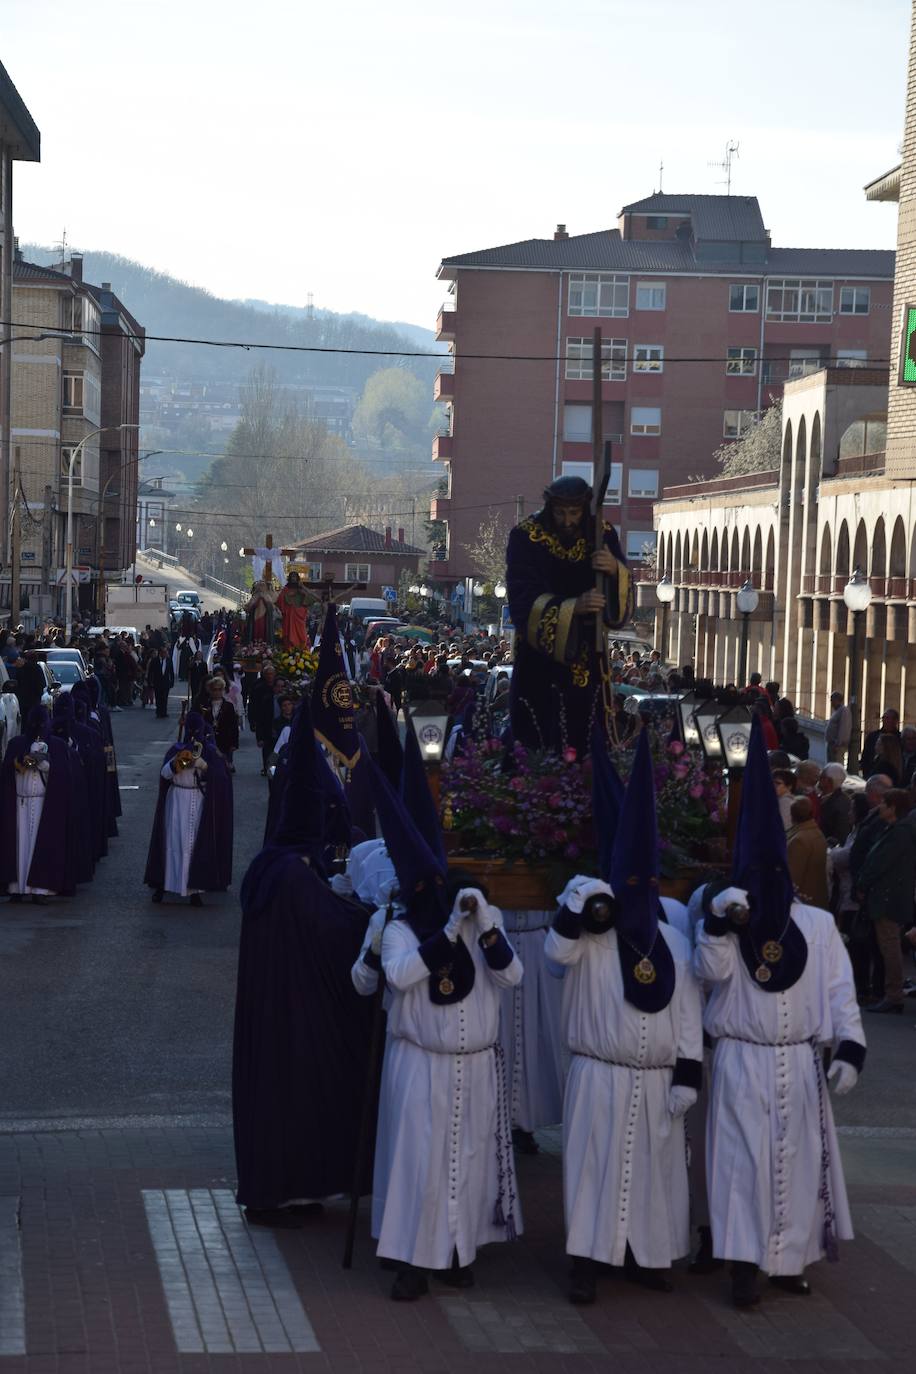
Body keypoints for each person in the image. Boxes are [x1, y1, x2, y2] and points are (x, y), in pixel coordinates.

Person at [695, 719, 866, 1309]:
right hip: (741, 1057)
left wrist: (849, 1044)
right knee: (741, 1164)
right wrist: (718, 925)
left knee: (796, 1162)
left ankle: (790, 1259)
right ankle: (743, 1261)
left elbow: (840, 989)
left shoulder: (817, 927)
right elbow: (708, 975)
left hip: (797, 1059)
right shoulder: (730, 923)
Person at [545, 731, 703, 1306]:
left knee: (654, 1175)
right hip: (601, 1072)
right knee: (594, 1170)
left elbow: (686, 1009)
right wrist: (576, 904)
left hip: (657, 1078)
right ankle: (587, 1260)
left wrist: (688, 1072)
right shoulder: (593, 936)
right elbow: (555, 957)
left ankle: (645, 1255)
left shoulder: (672, 941)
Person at [365, 760, 523, 1301]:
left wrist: (481, 930)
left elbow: (513, 975)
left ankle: (458, 1249)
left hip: (474, 1063)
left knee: (468, 1158)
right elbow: (404, 976)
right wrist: (448, 933)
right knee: (420, 1161)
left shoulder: (485, 925)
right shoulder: (399, 932)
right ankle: (413, 1258)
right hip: (422, 1062)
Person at [233, 696, 373, 1223]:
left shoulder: (271, 866)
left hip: (271, 1014)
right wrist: (370, 917)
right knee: (291, 1102)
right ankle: (282, 1196)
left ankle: (279, 1192)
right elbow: (335, 930)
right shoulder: (293, 877)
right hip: (290, 1015)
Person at [506, 475, 631, 757]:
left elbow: (621, 601)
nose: (567, 521)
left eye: (574, 513)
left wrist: (613, 569)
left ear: (584, 508)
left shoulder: (602, 533)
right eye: (560, 513)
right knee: (539, 734)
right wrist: (573, 606)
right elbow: (522, 601)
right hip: (539, 660)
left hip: (591, 654)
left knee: (588, 735)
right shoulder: (526, 536)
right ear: (550, 508)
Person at [143, 712, 233, 906]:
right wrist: (179, 763)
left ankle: (194, 889)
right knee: (172, 842)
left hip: (198, 799)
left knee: (194, 845)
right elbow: (164, 774)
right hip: (176, 800)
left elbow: (222, 777)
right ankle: (163, 885)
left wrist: (205, 766)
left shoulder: (210, 751)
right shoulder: (176, 749)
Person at [0, 705, 72, 904]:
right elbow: (7, 771)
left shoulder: (56, 745)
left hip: (42, 804)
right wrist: (20, 762)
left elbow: (62, 776)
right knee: (18, 847)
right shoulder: (16, 744)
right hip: (19, 803)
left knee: (39, 847)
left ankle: (39, 889)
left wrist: (43, 763)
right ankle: (17, 888)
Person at [856, 787, 916, 1014]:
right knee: (888, 945)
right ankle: (893, 993)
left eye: (884, 804)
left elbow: (880, 862)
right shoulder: (898, 829)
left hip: (888, 897)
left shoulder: (900, 832)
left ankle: (894, 995)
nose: (880, 807)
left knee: (889, 947)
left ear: (893, 808)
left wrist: (862, 884)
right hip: (888, 895)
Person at [786, 796, 829, 909]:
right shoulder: (817, 833)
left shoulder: (799, 840)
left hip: (802, 903)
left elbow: (792, 878)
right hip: (813, 900)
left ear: (792, 814)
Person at [199, 675, 240, 771]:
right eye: (214, 689)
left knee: (223, 769)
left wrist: (234, 743)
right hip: (209, 742)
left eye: (219, 689)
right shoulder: (205, 705)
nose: (217, 692)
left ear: (223, 690)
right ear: (210, 690)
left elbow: (234, 726)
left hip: (225, 741)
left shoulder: (229, 706)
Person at [275, 570, 312, 649]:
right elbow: (279, 600)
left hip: (300, 615)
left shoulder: (301, 588)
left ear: (297, 578)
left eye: (295, 577)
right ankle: (290, 649)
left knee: (301, 633)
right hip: (289, 615)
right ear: (290, 578)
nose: (293, 579)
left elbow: (309, 599)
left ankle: (301, 648)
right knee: (289, 633)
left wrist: (303, 592)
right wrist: (288, 595)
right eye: (292, 577)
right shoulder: (286, 589)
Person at [818, 763, 853, 846]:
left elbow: (841, 835)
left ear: (829, 781)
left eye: (822, 777)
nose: (818, 778)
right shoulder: (822, 797)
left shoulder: (841, 804)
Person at [860, 708, 900, 779]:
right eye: (886, 718)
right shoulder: (873, 736)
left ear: (896, 720)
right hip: (871, 772)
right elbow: (866, 755)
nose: (889, 721)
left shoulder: (900, 737)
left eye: (892, 718)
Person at [243, 580, 278, 645]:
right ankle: (254, 645)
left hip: (264, 618)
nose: (260, 587)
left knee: (263, 632)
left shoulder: (267, 596)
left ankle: (263, 646)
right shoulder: (255, 596)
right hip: (254, 619)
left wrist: (265, 601)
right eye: (259, 585)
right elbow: (247, 607)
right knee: (254, 632)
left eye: (262, 585)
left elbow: (272, 607)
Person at [147, 646, 175, 719]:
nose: (166, 654)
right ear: (160, 653)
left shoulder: (169, 660)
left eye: (166, 652)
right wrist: (150, 681)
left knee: (165, 698)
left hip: (166, 682)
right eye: (164, 652)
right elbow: (150, 672)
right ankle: (159, 711)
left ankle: (164, 712)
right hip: (157, 682)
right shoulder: (154, 660)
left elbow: (171, 672)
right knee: (158, 697)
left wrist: (172, 681)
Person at [825, 692, 852, 764]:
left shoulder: (843, 711)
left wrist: (838, 744)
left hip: (837, 746)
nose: (831, 703)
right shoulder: (836, 711)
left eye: (832, 700)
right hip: (832, 744)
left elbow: (844, 728)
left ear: (837, 700)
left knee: (836, 764)